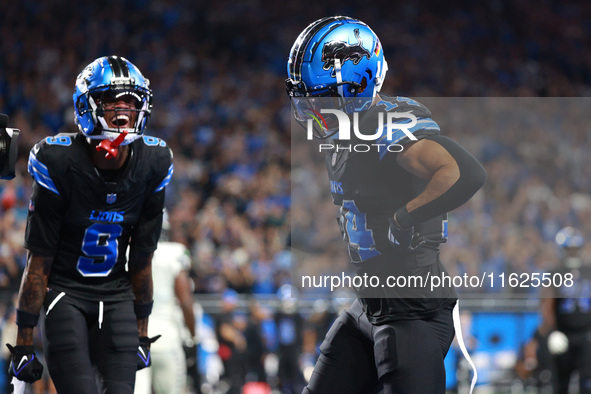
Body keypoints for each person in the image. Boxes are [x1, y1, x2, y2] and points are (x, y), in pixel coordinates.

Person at [286, 16, 487, 393]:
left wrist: (404, 218)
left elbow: (464, 172)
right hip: (368, 307)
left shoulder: (386, 126)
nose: (316, 108)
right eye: (309, 97)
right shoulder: (350, 131)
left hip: (413, 312)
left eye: (326, 96)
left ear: (360, 83)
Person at [7, 55, 173, 393]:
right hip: (66, 294)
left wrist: (142, 330)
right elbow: (39, 262)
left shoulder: (154, 162)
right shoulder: (58, 160)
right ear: (87, 105)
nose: (123, 109)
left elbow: (141, 258)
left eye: (131, 100)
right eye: (111, 100)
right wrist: (23, 340)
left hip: (117, 296)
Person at [134, 226, 198, 394]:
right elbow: (185, 301)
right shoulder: (174, 253)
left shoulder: (129, 251)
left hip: (136, 335)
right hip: (166, 337)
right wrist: (193, 336)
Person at [537, 226, 591, 393]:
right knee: (560, 383)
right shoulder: (554, 273)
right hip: (563, 334)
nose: (572, 253)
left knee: (587, 383)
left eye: (575, 249)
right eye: (569, 249)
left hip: (586, 334)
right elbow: (546, 304)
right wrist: (552, 331)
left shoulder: (588, 271)